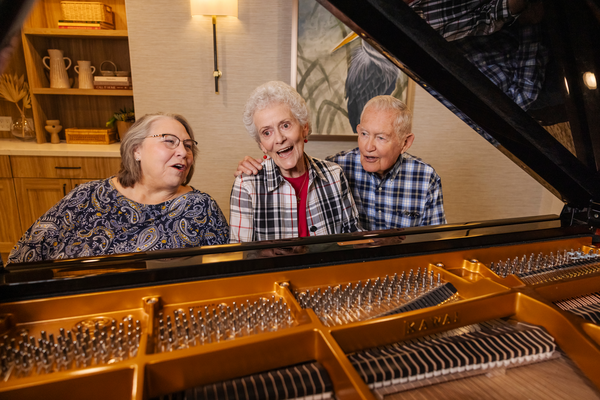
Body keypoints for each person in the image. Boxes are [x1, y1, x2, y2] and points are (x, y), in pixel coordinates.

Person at [7, 113, 229, 264]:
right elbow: (24, 256)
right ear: (136, 150)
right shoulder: (86, 195)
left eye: (188, 146)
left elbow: (226, 276)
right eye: (169, 141)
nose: (183, 152)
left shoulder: (201, 208)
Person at [235, 95, 446, 231]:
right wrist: (252, 167)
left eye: (381, 137)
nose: (368, 146)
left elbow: (435, 243)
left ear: (405, 142)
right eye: (364, 134)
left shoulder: (426, 178)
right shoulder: (336, 168)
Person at [229, 81, 361, 243]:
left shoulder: (334, 175)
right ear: (262, 145)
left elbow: (354, 239)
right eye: (267, 132)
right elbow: (241, 258)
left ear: (304, 127)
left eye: (285, 125)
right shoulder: (247, 186)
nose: (279, 139)